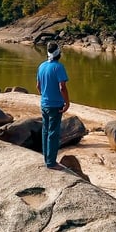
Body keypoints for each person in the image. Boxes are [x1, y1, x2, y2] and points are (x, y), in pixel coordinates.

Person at [36, 42, 70, 170]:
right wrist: (67, 102)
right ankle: (51, 162)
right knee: (53, 133)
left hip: (44, 103)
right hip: (55, 105)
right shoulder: (59, 67)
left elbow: (38, 86)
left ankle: (46, 158)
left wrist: (44, 95)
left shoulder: (42, 66)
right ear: (58, 53)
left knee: (45, 131)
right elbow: (62, 87)